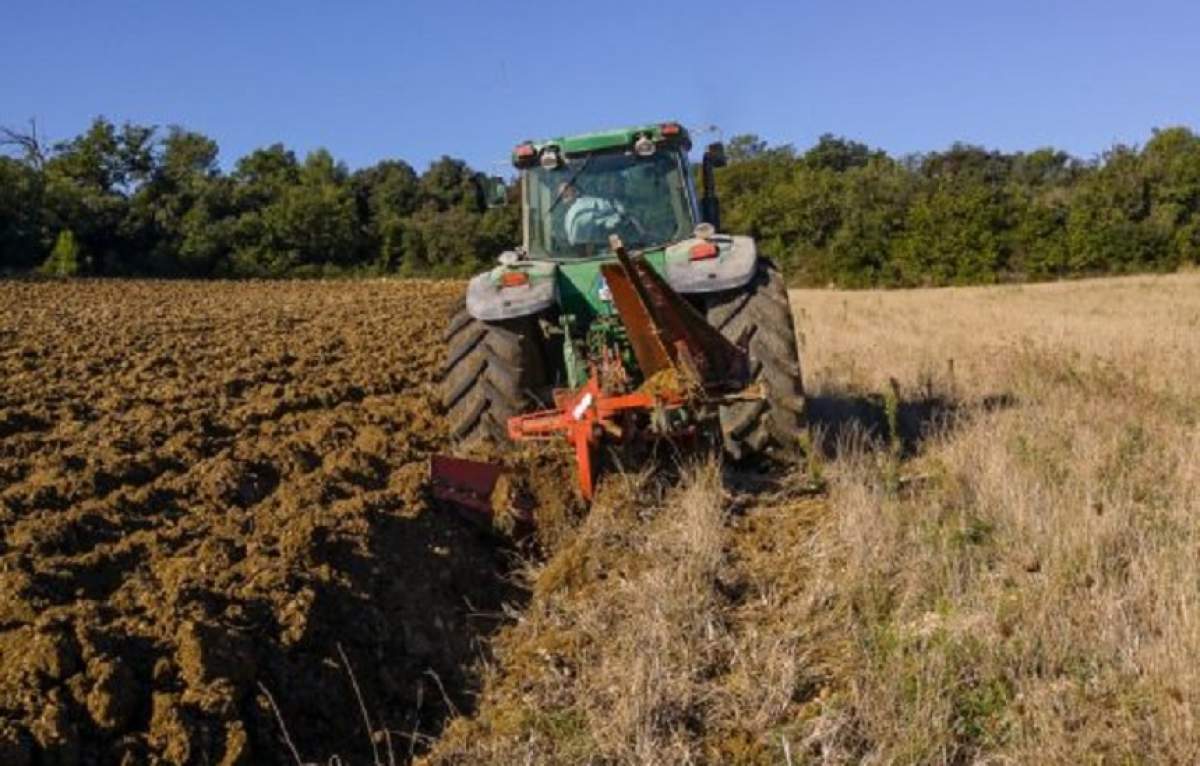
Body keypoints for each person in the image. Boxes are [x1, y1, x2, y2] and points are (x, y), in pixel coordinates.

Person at [559, 177, 642, 246]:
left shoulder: (588, 205)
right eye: (561, 196)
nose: (562, 196)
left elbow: (621, 219)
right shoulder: (571, 216)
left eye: (566, 191)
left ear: (575, 191)